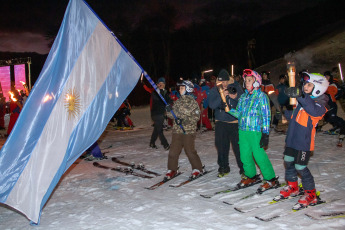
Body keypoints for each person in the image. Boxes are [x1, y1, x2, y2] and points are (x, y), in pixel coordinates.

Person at [274, 72, 329, 210]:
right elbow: (296, 115)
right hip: (292, 138)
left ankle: (311, 193)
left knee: (300, 167)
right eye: (305, 84)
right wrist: (283, 113)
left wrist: (300, 95)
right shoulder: (303, 100)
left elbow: (312, 110)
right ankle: (293, 187)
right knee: (288, 161)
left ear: (318, 87)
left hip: (304, 141)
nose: (305, 86)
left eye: (309, 84)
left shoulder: (320, 103)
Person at [228, 69, 279, 193]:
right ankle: (251, 176)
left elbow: (266, 116)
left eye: (249, 80)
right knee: (244, 155)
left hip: (255, 132)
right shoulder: (243, 97)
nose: (246, 83)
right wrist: (228, 109)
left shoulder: (262, 96)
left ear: (257, 82)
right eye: (245, 80)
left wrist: (265, 133)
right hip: (243, 131)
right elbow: (239, 113)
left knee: (259, 155)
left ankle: (270, 178)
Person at [209, 69, 244, 178]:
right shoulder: (214, 90)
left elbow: (244, 100)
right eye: (221, 82)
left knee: (239, 147)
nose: (224, 84)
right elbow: (211, 105)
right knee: (221, 146)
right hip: (221, 122)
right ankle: (223, 167)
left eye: (225, 82)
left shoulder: (236, 86)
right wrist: (221, 96)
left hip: (234, 122)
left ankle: (244, 169)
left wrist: (235, 96)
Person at [165, 80, 203, 179]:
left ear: (188, 89)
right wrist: (168, 110)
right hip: (177, 130)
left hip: (188, 131)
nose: (180, 90)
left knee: (189, 150)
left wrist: (183, 120)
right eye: (180, 88)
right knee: (173, 151)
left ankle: (197, 168)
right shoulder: (178, 101)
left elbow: (196, 117)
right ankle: (172, 169)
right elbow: (172, 115)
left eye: (182, 88)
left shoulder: (192, 102)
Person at [149, 77, 171, 150]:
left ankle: (152, 143)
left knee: (157, 129)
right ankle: (165, 144)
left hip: (161, 114)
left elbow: (169, 100)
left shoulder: (165, 92)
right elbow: (158, 99)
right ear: (157, 85)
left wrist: (170, 104)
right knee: (160, 130)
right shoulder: (155, 92)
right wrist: (161, 91)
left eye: (163, 84)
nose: (161, 85)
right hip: (156, 114)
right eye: (160, 84)